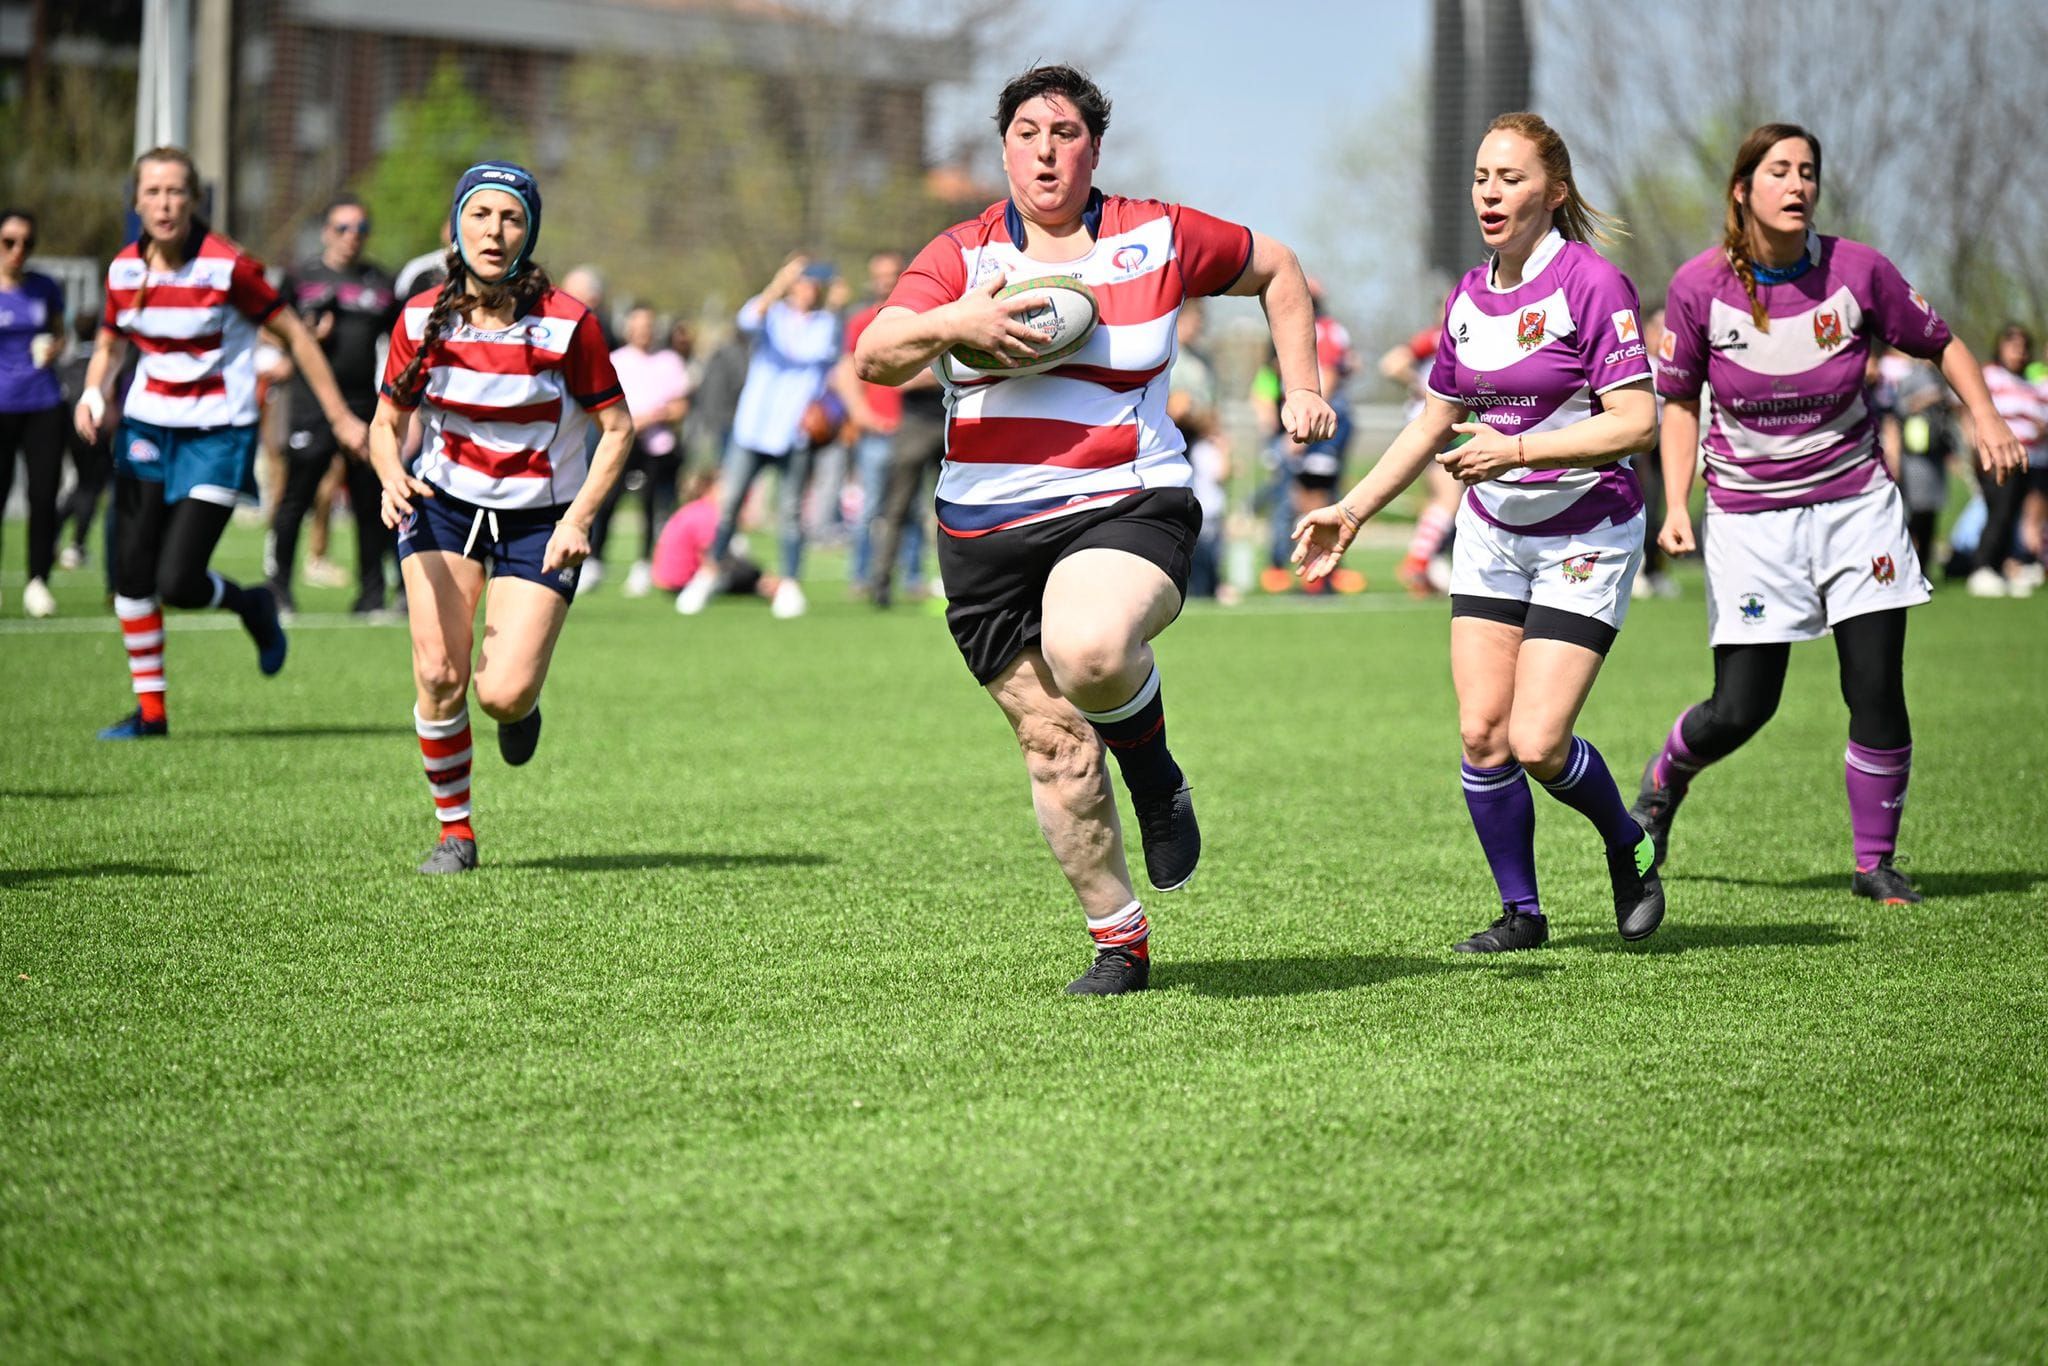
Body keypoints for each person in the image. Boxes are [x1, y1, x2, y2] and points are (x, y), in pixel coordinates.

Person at [854, 64, 1337, 995]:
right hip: (983, 537)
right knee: (1055, 746)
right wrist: (960, 320)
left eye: (1065, 132)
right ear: (1004, 148)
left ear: (1094, 149)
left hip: (1125, 502)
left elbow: (1279, 269)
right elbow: (875, 354)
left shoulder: (1153, 235)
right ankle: (1120, 939)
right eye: (1027, 132)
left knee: (1090, 645)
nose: (1045, 148)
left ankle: (1154, 774)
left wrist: (1304, 385)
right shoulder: (963, 253)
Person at [1293, 111, 1665, 954]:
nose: (1491, 194)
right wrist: (1351, 511)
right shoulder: (1466, 297)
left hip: (1586, 532)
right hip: (1495, 531)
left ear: (1555, 191)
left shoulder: (1591, 285)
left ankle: (1629, 843)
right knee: (1480, 732)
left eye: (1512, 179)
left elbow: (1638, 422)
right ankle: (1522, 914)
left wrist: (1522, 448)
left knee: (1538, 742)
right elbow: (1431, 425)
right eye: (1481, 178)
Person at [1631, 123, 2026, 905]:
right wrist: (1676, 504)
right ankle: (1663, 781)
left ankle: (1874, 862)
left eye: (1808, 171)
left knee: (1875, 686)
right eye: (1779, 170)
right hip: (1750, 519)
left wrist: (1984, 414)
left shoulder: (1859, 270)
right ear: (1742, 189)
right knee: (1744, 709)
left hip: (1855, 507)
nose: (1798, 184)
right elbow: (1676, 402)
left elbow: (1940, 341)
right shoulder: (1698, 286)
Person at [368, 162, 632, 874]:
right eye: (480, 214)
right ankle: (456, 833)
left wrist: (579, 519)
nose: (494, 230)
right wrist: (391, 474)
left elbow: (618, 429)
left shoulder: (567, 324)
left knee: (502, 692)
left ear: (529, 231)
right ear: (457, 226)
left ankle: (520, 711)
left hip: (538, 518)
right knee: (437, 672)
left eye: (511, 217)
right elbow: (385, 421)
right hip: (444, 507)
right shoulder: (422, 317)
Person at [74, 147, 366, 738]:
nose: (165, 203)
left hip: (218, 435)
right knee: (131, 575)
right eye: (153, 192)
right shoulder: (124, 269)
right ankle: (151, 715)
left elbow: (297, 339)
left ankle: (252, 604)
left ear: (195, 200)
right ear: (136, 202)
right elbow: (109, 341)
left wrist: (340, 417)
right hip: (145, 430)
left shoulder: (227, 266)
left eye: (177, 191)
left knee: (179, 581)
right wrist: (92, 393)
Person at [676, 256, 841, 620]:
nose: (807, 290)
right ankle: (708, 574)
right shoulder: (774, 315)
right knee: (730, 505)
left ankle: (791, 583)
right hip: (753, 427)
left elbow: (821, 364)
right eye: (802, 283)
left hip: (794, 432)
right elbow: (748, 318)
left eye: (812, 284)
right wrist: (778, 282)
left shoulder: (827, 324)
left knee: (791, 511)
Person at [268, 196, 402, 616]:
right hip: (311, 405)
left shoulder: (380, 282)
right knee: (296, 497)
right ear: (327, 232)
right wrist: (302, 339)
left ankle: (371, 594)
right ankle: (278, 589)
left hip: (364, 405)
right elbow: (269, 329)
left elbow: (401, 341)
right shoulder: (300, 277)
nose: (351, 238)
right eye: (343, 228)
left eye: (360, 230)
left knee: (370, 501)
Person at [596, 304, 692, 596]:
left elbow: (681, 405)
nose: (643, 330)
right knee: (608, 499)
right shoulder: (615, 360)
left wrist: (653, 417)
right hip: (623, 442)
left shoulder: (669, 361)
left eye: (648, 325)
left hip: (657, 445)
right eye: (637, 324)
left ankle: (643, 564)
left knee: (651, 505)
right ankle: (595, 560)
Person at [0, 207, 67, 617]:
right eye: (9, 241)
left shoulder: (44, 287)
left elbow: (60, 332)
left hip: (43, 403)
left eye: (27, 242)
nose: (18, 250)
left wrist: (55, 347)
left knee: (43, 496)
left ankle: (38, 581)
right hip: (0, 406)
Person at [1380, 325, 1461, 597]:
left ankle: (1425, 566)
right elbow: (1391, 364)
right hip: (1435, 424)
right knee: (1450, 499)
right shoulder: (1437, 336)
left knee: (1437, 500)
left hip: (1432, 422)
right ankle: (1418, 562)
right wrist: (1422, 386)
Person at [1972, 323, 2043, 597]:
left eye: (2024, 347)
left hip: (2027, 460)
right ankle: (1982, 567)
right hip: (1997, 458)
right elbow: (1971, 411)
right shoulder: (1990, 375)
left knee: (2012, 514)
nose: (2020, 353)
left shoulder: (2028, 382)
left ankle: (2000, 565)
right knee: (1999, 512)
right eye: (2014, 346)